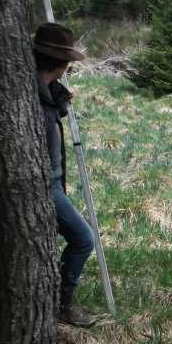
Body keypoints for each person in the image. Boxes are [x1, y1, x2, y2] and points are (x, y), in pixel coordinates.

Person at [33, 23, 99, 327]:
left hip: (55, 179)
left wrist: (58, 102)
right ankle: (62, 302)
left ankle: (50, 295)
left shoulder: (43, 90)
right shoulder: (29, 95)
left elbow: (47, 122)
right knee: (84, 239)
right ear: (58, 64)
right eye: (67, 62)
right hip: (44, 185)